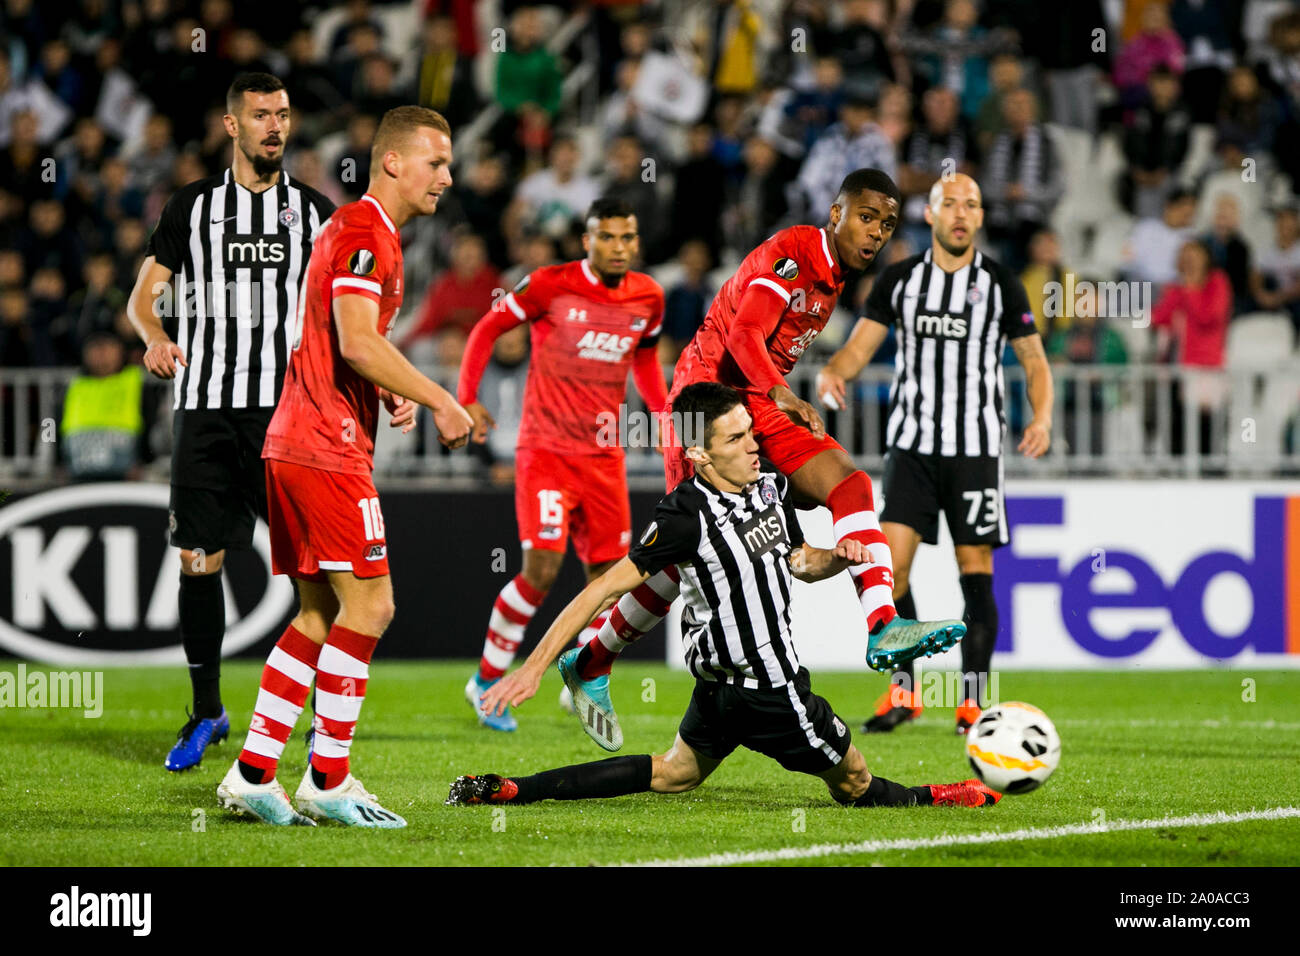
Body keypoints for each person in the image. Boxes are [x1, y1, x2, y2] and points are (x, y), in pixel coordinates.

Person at [519, 171, 966, 752]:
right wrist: (783, 392)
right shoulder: (796, 253)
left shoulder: (834, 278)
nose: (877, 231)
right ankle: (591, 659)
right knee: (681, 561)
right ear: (835, 214)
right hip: (705, 403)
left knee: (850, 484)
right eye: (866, 216)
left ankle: (883, 624)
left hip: (757, 402)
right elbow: (744, 337)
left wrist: (810, 534)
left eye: (885, 222)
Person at [447, 382, 997, 810]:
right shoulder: (685, 516)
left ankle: (511, 790)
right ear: (700, 457)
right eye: (735, 440)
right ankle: (944, 795)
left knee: (673, 773)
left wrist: (837, 556)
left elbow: (798, 563)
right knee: (855, 782)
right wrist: (533, 667)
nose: (754, 446)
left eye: (750, 432)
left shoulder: (771, 487)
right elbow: (599, 590)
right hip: (771, 692)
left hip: (716, 693)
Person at [215, 106, 474, 827]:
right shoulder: (366, 233)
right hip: (325, 448)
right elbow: (358, 342)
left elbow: (347, 344)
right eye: (435, 162)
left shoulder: (363, 232)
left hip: (295, 442)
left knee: (318, 613)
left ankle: (253, 772)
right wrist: (438, 397)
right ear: (392, 161)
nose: (446, 178)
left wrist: (389, 390)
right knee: (372, 607)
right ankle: (328, 779)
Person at [125, 73, 336, 772]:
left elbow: (341, 317)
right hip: (206, 408)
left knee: (319, 568)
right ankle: (207, 711)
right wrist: (155, 335)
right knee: (197, 558)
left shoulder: (314, 213)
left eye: (282, 114)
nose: (275, 126)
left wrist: (372, 386)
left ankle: (317, 716)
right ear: (231, 125)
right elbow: (142, 299)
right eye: (261, 116)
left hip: (288, 416)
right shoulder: (190, 209)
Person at [816, 174, 1054, 735]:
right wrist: (833, 372)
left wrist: (1041, 416)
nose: (962, 213)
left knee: (975, 568)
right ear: (930, 214)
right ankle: (905, 693)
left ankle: (972, 700)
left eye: (972, 204)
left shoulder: (1000, 283)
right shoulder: (900, 280)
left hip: (973, 450)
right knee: (892, 568)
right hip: (913, 448)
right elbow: (858, 347)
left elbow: (1034, 362)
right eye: (952, 203)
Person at [456, 196, 668, 733]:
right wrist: (466, 396)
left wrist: (664, 416)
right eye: (608, 237)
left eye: (628, 238)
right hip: (546, 453)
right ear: (587, 241)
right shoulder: (549, 283)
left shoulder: (648, 297)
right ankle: (485, 679)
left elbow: (643, 357)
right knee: (542, 568)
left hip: (603, 458)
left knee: (608, 578)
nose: (619, 247)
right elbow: (485, 329)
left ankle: (583, 676)